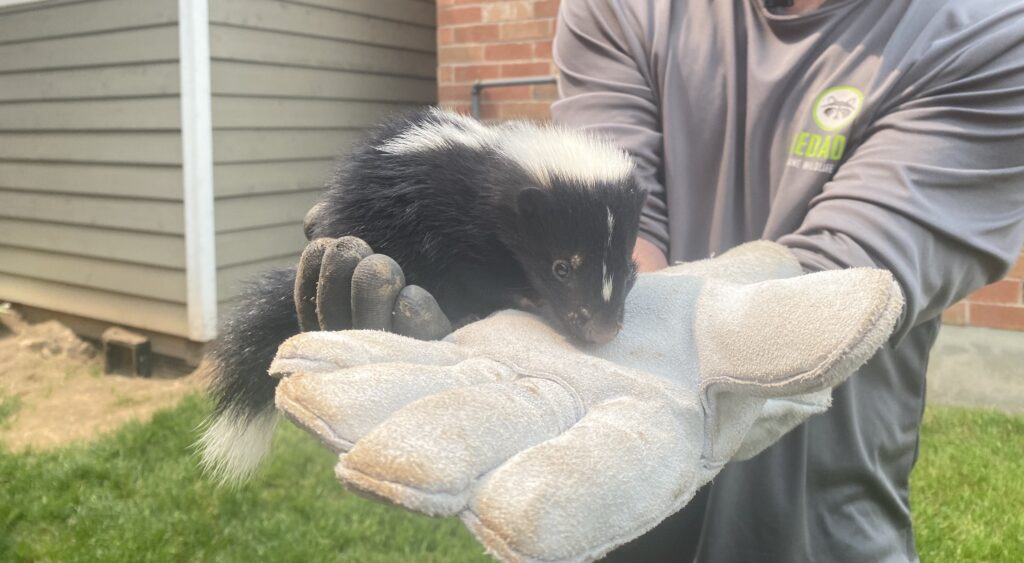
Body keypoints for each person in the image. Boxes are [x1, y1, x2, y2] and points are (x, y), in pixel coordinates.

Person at [550, 0, 1024, 561]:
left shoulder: (987, 34)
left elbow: (837, 290)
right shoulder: (618, 8)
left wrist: (645, 345)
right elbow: (617, 229)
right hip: (625, 501)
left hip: (818, 529)